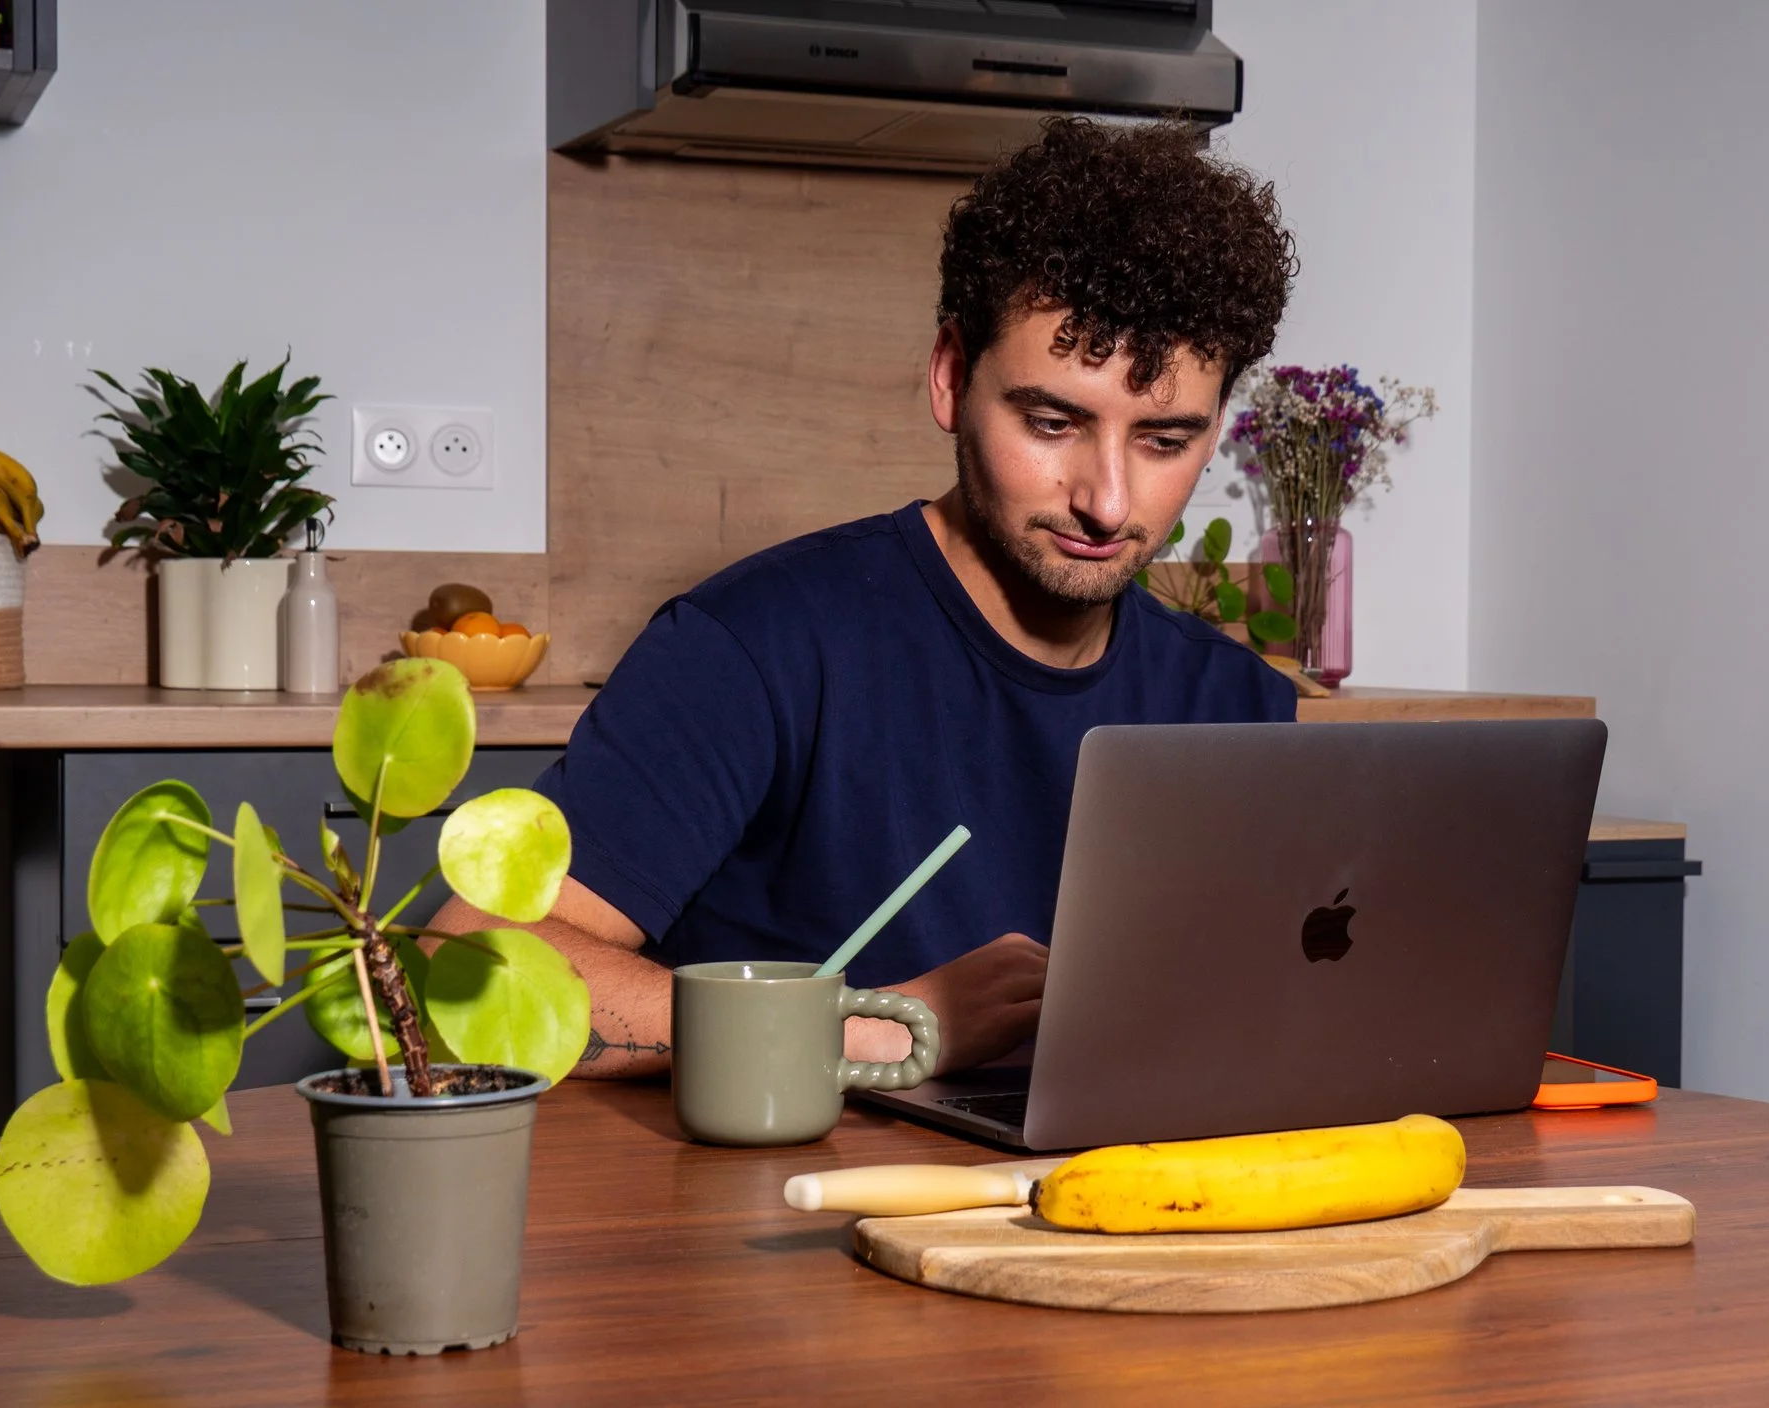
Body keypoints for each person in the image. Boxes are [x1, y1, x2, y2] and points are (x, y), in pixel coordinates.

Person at [429, 117, 1300, 1078]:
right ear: (950, 378)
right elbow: (461, 971)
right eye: (1052, 422)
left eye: (1165, 440)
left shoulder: (1235, 707)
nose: (1107, 499)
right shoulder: (754, 648)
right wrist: (865, 1028)